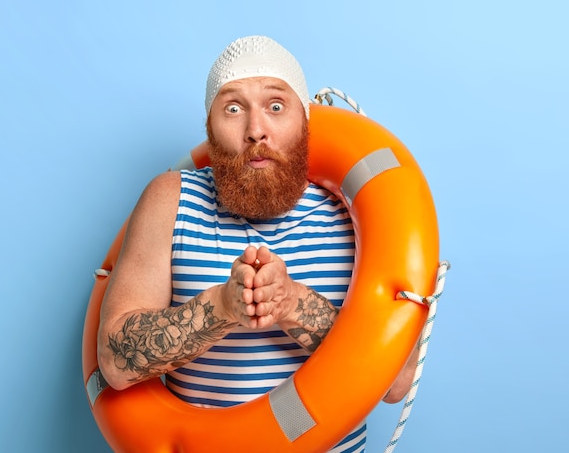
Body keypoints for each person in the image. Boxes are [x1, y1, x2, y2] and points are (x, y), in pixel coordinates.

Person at [97, 36, 419, 453]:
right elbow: (114, 362)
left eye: (276, 106)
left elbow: (396, 383)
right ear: (209, 127)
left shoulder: (354, 212)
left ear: (306, 120)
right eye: (233, 108)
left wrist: (289, 304)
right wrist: (223, 307)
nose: (255, 131)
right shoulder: (169, 199)